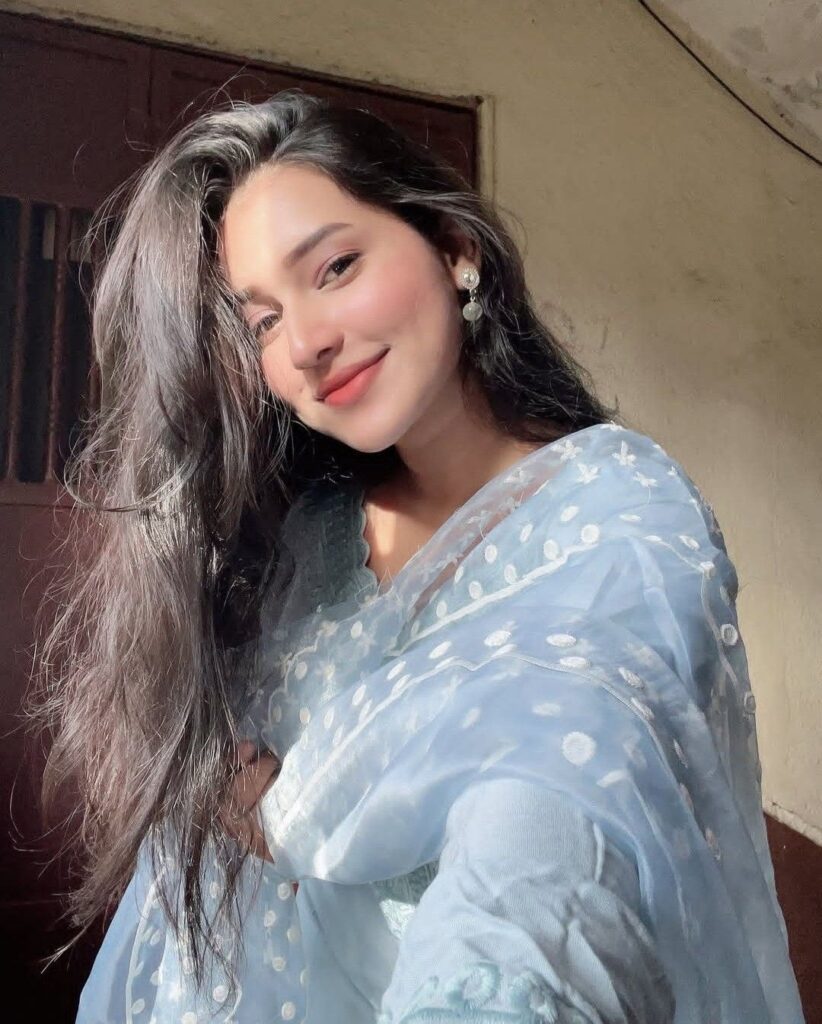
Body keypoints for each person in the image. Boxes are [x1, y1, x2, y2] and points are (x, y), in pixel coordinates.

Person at [32, 90, 804, 1023]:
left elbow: (549, 834)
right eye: (263, 321)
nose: (307, 343)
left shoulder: (620, 516)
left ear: (454, 248)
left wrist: (289, 816)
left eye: (337, 266)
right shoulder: (308, 539)